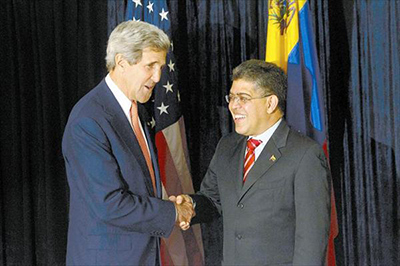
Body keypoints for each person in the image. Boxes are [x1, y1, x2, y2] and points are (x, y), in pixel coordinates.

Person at [173, 60, 331, 265]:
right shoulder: (227, 146)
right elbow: (213, 200)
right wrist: (191, 205)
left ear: (270, 103)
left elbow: (311, 243)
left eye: (243, 98)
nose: (233, 105)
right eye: (231, 97)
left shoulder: (305, 155)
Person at [62, 21, 193, 265]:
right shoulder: (89, 120)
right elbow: (110, 204)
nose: (157, 77)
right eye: (150, 66)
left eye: (161, 67)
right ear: (121, 62)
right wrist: (173, 212)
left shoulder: (135, 109)